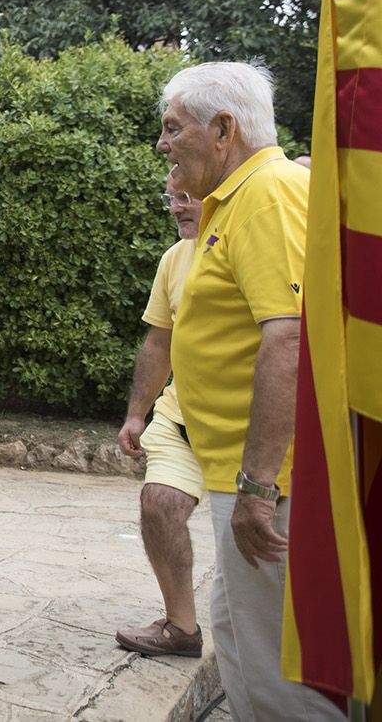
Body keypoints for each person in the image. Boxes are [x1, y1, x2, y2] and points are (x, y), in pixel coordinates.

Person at [157, 62, 340, 719]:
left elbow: (289, 337)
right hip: (242, 469)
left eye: (173, 127)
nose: (162, 143)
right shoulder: (236, 199)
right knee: (238, 637)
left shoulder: (266, 193)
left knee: (279, 670)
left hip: (271, 481)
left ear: (223, 130)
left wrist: (259, 485)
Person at [114, 168, 205, 658]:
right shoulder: (174, 259)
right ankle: (181, 627)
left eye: (187, 196)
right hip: (181, 416)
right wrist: (137, 414)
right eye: (170, 198)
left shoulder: (260, 240)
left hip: (250, 427)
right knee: (159, 504)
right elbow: (159, 341)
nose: (176, 207)